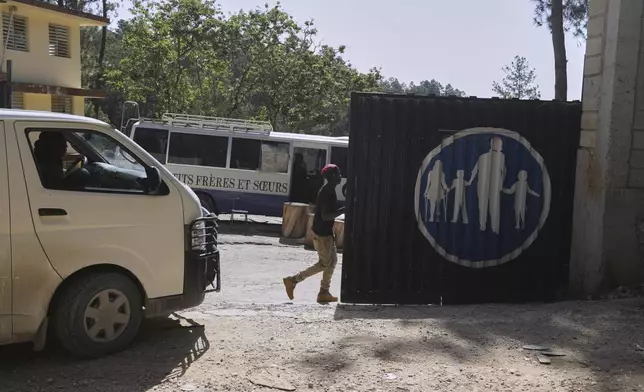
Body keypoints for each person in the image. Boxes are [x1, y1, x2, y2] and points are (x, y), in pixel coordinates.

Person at [283, 164, 344, 303]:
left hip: (326, 233)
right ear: (333, 176)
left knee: (332, 262)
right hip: (322, 235)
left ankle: (324, 292)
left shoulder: (330, 190)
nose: (340, 176)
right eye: (338, 174)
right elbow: (326, 216)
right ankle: (293, 280)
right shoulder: (327, 192)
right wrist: (345, 210)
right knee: (324, 264)